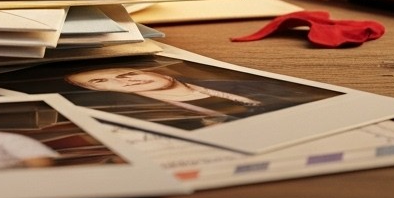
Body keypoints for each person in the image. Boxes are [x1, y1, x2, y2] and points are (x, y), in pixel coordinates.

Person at [60, 66, 335, 129]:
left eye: (125, 73)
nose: (127, 80)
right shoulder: (152, 120)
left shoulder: (258, 85)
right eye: (101, 82)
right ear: (98, 92)